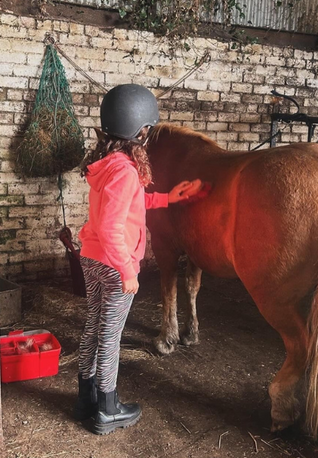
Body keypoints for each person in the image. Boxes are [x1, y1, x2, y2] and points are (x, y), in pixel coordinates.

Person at [74, 84, 202, 435]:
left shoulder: (108, 165)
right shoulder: (125, 171)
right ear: (140, 131)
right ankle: (107, 408)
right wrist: (128, 270)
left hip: (93, 258)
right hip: (115, 266)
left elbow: (129, 205)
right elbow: (112, 227)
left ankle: (86, 397)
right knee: (110, 336)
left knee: (94, 327)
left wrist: (167, 198)